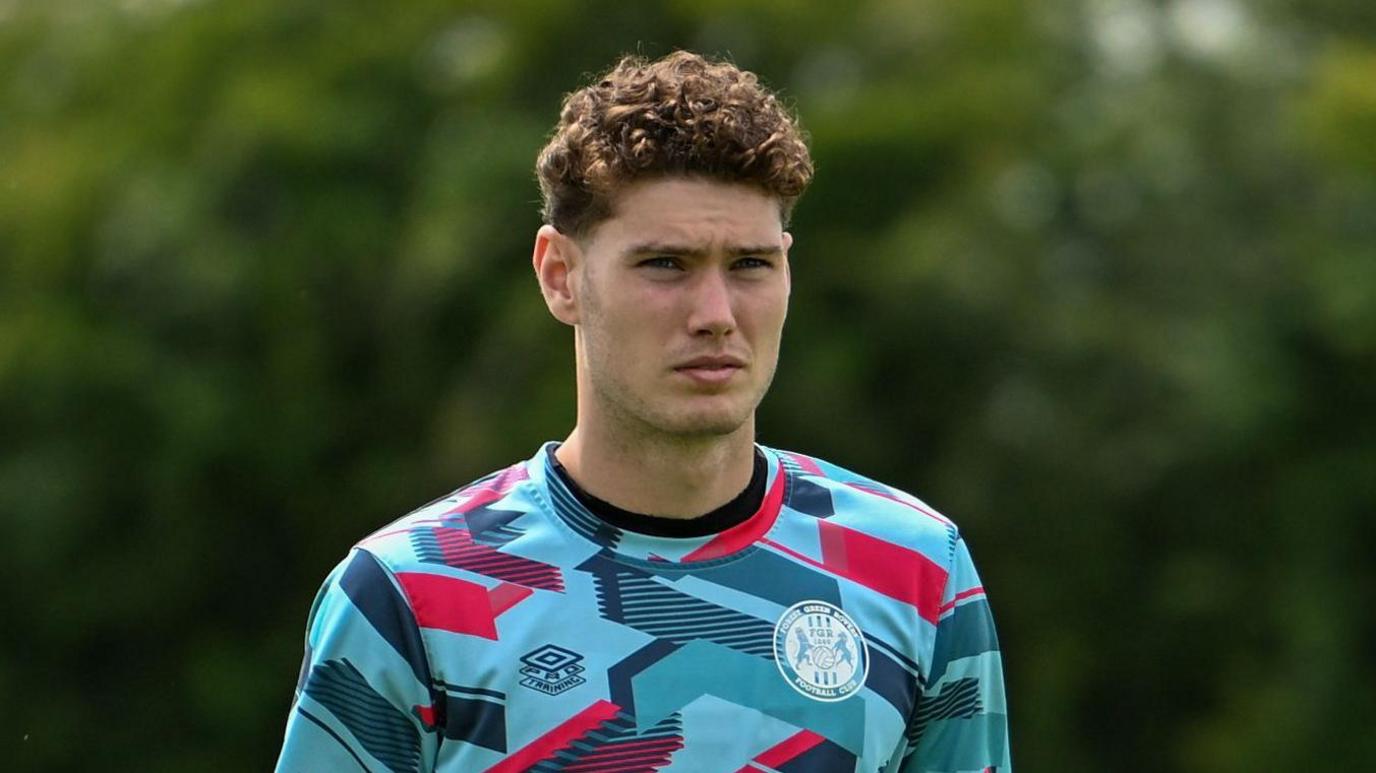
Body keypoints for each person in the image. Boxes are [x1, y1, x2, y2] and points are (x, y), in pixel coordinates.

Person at [275, 50, 1011, 772]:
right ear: (560, 276)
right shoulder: (409, 597)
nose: (717, 314)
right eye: (666, 264)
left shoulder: (916, 572)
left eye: (751, 264)